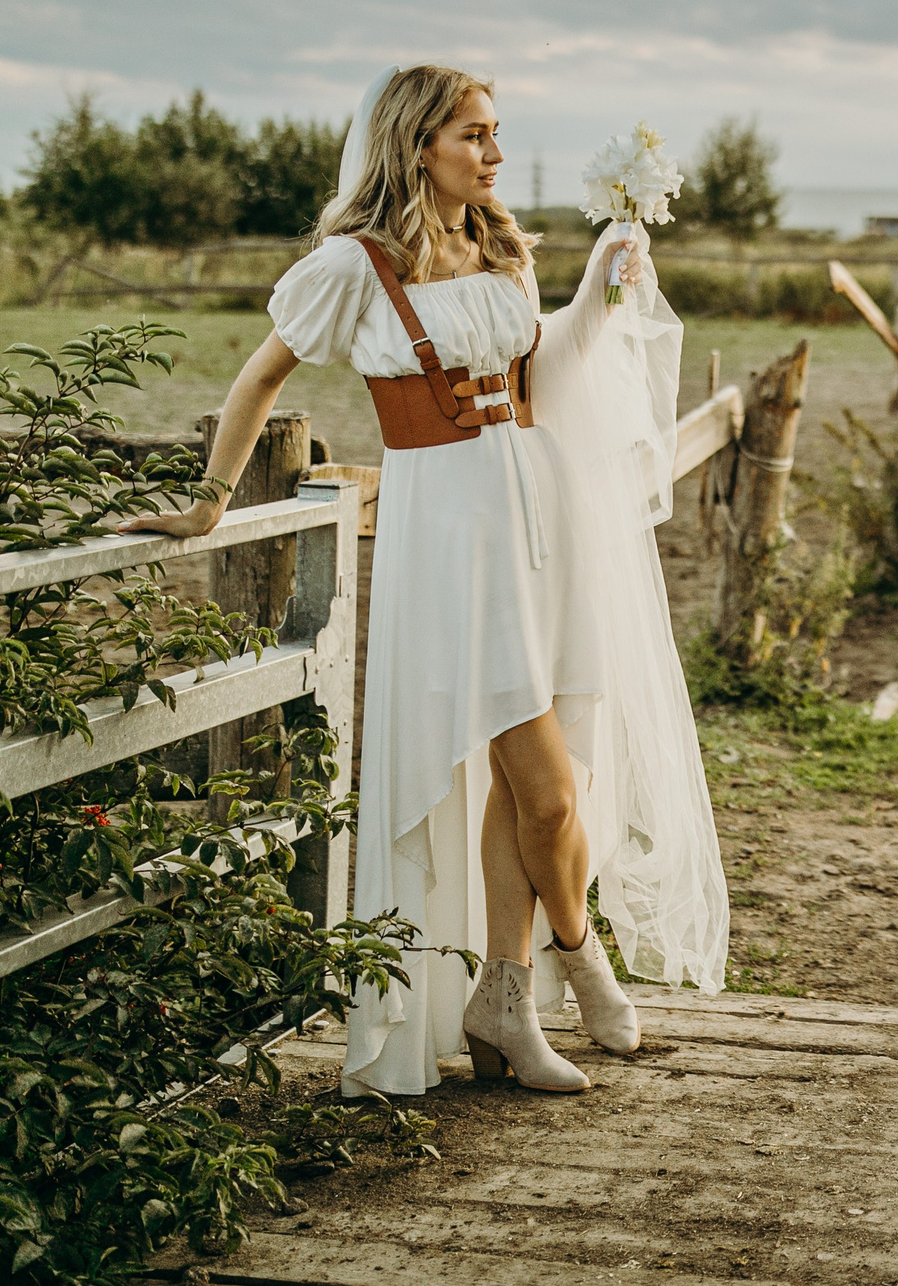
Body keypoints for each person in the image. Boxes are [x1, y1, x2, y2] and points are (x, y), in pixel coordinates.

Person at [127, 64, 728, 1097]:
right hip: (449, 530)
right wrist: (212, 500)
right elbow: (262, 373)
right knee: (543, 790)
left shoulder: (498, 246)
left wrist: (601, 281)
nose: (495, 155)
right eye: (475, 136)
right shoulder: (356, 264)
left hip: (535, 509)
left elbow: (542, 373)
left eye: (497, 134)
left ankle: (504, 997)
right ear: (417, 146)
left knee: (541, 777)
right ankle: (578, 960)